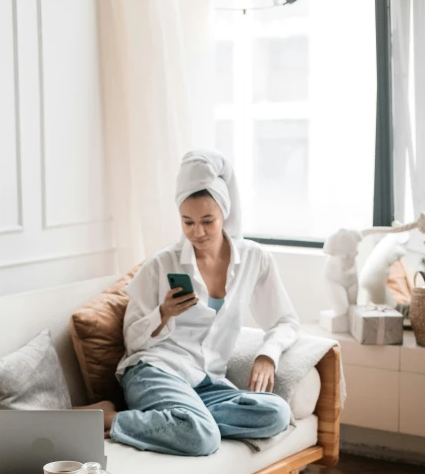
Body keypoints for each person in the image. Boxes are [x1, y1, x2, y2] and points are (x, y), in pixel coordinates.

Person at [103, 149, 299, 456]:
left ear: (225, 213)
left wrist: (268, 354)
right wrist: (163, 313)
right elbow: (132, 341)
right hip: (156, 370)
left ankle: (185, 419)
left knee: (277, 413)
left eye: (208, 221)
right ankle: (113, 419)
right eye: (188, 222)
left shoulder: (254, 259)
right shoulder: (160, 265)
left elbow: (285, 321)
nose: (198, 232)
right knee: (202, 438)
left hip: (206, 382)